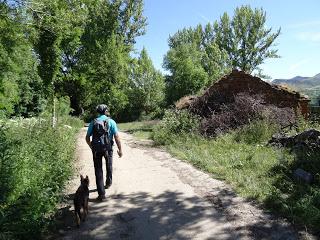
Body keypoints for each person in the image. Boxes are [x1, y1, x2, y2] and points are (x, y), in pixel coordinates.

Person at [85, 104, 123, 201]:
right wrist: (120, 150)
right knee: (109, 165)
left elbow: (87, 137)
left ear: (98, 112)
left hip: (96, 149)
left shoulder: (93, 122)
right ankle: (108, 182)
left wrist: (91, 146)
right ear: (106, 111)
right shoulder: (111, 122)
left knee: (98, 170)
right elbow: (117, 137)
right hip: (108, 148)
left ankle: (101, 194)